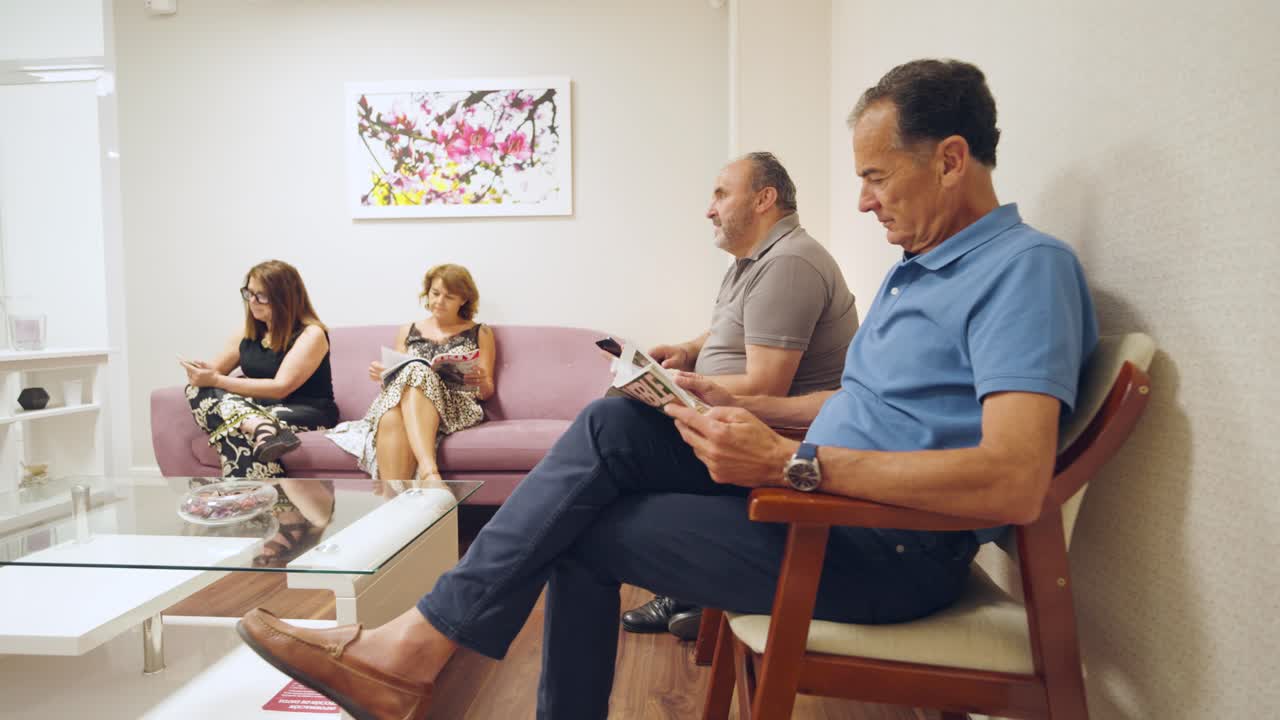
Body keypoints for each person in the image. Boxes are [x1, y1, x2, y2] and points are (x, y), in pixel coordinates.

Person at [235, 59, 1098, 720]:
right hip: (827, 495)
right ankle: (415, 650)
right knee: (614, 423)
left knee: (578, 528)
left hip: (883, 548)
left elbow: (1013, 480)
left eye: (877, 176)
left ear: (951, 160)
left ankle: (413, 652)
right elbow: (854, 409)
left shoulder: (1024, 272)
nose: (865, 202)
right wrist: (734, 409)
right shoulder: (916, 273)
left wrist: (798, 469)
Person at [624, 151, 859, 639]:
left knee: (617, 423)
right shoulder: (753, 262)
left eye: (720, 194)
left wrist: (670, 388)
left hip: (775, 430)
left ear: (764, 199)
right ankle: (692, 588)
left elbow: (765, 384)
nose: (709, 209)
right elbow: (725, 332)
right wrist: (686, 353)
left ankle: (695, 583)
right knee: (618, 417)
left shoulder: (789, 262)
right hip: (735, 416)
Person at [183, 260, 339, 559]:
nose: (252, 302)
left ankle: (244, 499)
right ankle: (259, 430)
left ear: (285, 297)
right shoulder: (248, 332)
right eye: (249, 293)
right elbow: (212, 380)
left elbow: (282, 387)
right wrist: (201, 374)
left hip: (304, 410)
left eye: (261, 296)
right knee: (197, 392)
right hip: (256, 413)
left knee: (230, 421)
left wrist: (217, 381)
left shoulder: (311, 334)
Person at [326, 264, 495, 486]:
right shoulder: (408, 330)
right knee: (391, 415)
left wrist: (481, 381)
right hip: (406, 401)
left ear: (463, 300)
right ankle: (407, 497)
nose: (439, 301)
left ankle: (424, 474)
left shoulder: (480, 331)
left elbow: (486, 392)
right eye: (435, 293)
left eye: (449, 297)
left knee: (413, 378)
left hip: (454, 405)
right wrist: (384, 373)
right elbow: (396, 379)